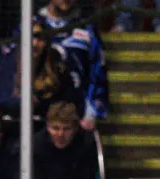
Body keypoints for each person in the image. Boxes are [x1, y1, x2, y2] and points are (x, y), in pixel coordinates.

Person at [37, 0, 108, 130]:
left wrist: (92, 112)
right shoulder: (31, 24)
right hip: (37, 113)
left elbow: (98, 71)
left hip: (75, 117)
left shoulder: (86, 26)